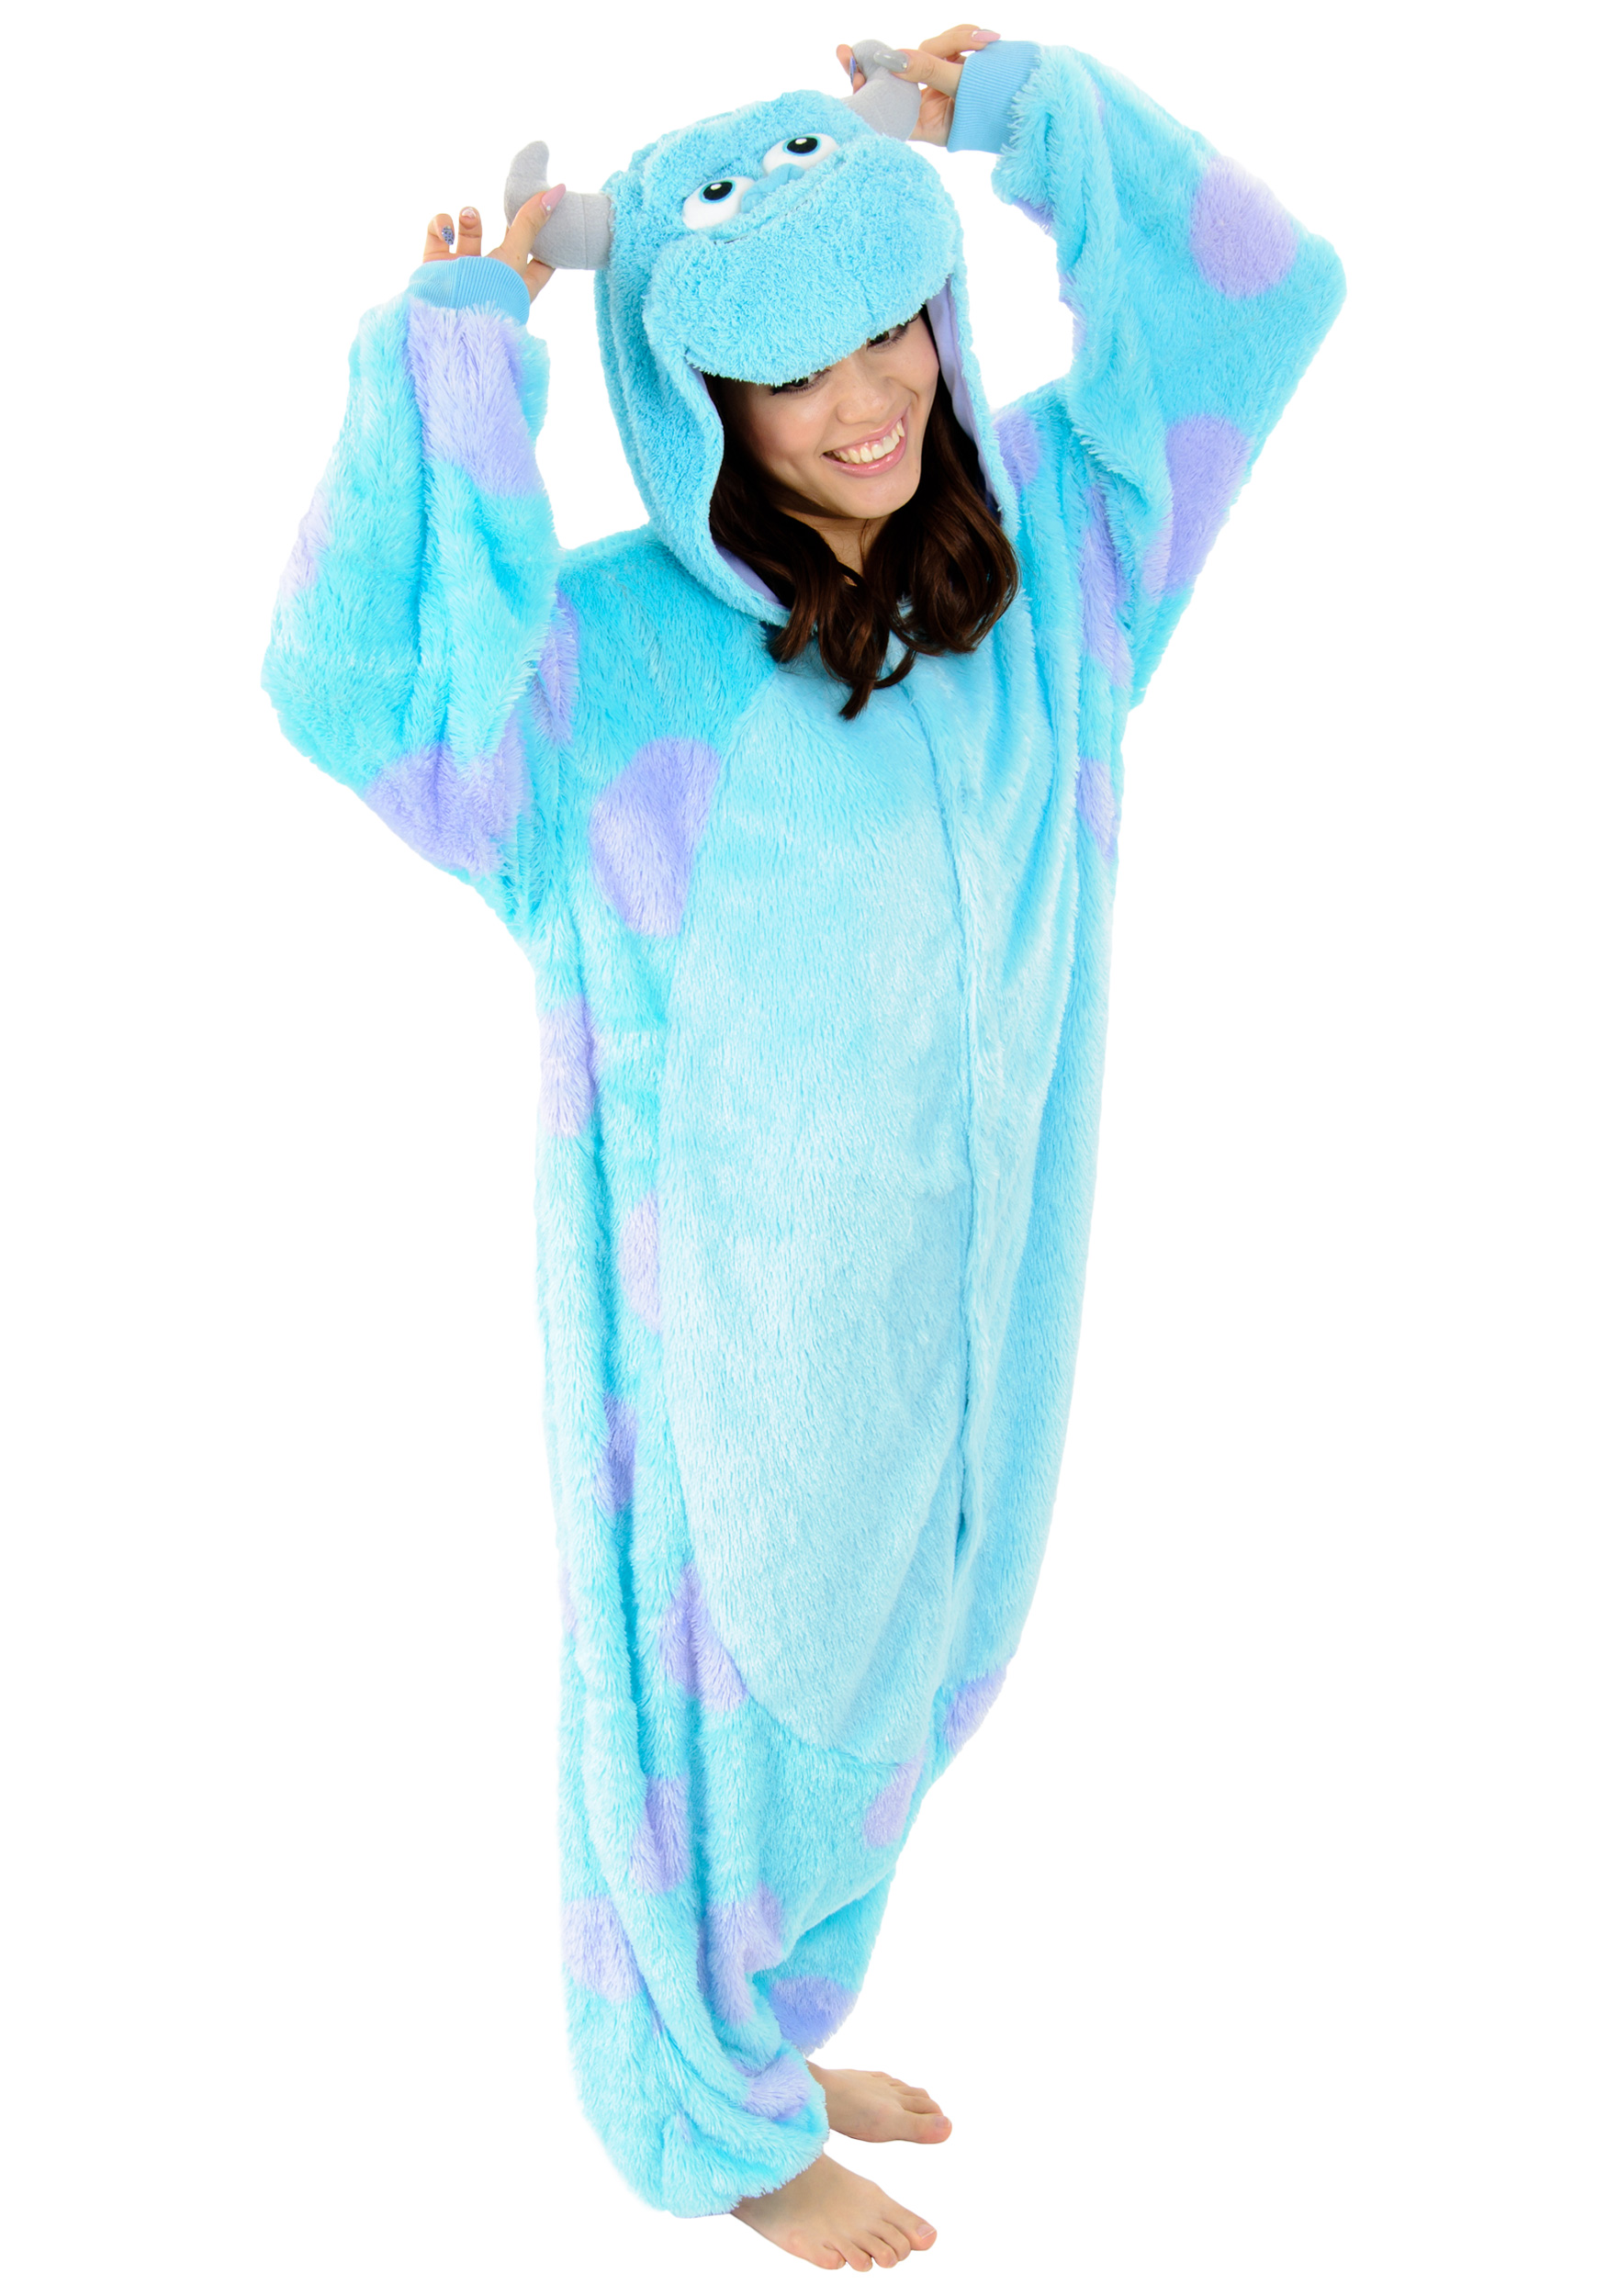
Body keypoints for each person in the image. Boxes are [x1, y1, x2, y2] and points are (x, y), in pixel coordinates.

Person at [263, 27, 1343, 2271]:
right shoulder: (605, 662)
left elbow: (1260, 296)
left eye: (891, 329)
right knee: (720, 1717)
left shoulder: (1055, 566)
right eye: (790, 371)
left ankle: (753, 2027)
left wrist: (1029, 111)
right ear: (695, 401)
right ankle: (696, 2108)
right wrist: (448, 375)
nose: (868, 401)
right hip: (730, 1312)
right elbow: (354, 690)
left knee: (922, 1672)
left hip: (986, 1285)